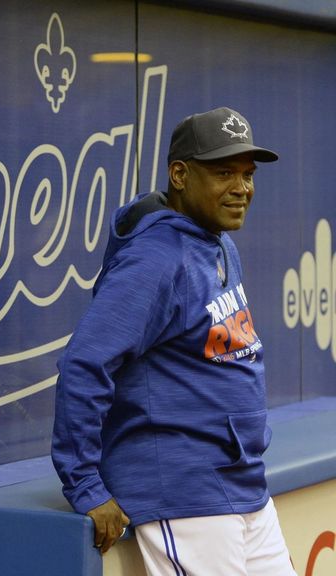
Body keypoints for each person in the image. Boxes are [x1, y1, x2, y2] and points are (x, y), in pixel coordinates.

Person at [52, 107, 297, 575]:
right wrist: (86, 484)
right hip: (184, 493)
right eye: (224, 172)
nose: (242, 188)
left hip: (242, 484)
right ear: (180, 175)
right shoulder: (154, 260)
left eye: (247, 174)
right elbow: (84, 365)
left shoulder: (218, 241)